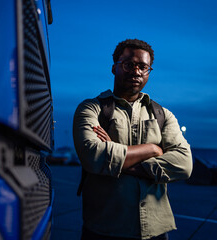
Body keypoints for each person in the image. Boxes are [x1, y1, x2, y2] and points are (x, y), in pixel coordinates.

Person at [72, 39, 193, 240]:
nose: (136, 71)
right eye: (129, 65)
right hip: (104, 227)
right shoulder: (92, 108)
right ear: (114, 67)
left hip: (155, 229)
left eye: (143, 67)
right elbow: (92, 155)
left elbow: (184, 164)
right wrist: (153, 150)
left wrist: (114, 156)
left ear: (148, 72)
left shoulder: (163, 115)